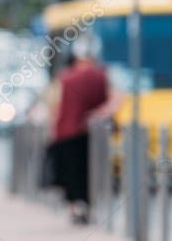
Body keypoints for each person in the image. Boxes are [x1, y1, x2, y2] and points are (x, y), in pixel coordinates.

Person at [49, 35, 122, 224]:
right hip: (92, 135)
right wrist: (99, 114)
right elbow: (116, 100)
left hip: (66, 133)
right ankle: (86, 207)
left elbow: (55, 106)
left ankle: (76, 207)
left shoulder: (65, 78)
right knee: (88, 172)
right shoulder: (102, 76)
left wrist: (53, 130)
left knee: (72, 174)